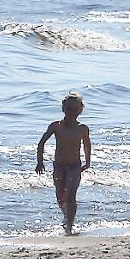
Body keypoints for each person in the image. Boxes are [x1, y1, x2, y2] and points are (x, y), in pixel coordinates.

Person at [36, 92, 92, 235]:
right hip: (59, 166)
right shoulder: (56, 126)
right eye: (69, 108)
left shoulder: (82, 128)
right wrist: (39, 162)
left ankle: (69, 227)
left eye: (75, 109)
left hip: (75, 166)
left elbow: (87, 145)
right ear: (63, 109)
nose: (71, 112)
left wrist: (88, 161)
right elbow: (41, 143)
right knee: (60, 197)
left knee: (71, 196)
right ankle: (66, 217)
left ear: (80, 110)